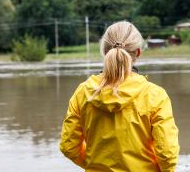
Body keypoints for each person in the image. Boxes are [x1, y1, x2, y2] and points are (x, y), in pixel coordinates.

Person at [60, 21, 180, 172]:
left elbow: (69, 147)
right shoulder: (156, 96)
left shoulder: (83, 93)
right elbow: (167, 155)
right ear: (137, 52)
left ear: (105, 52)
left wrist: (94, 165)